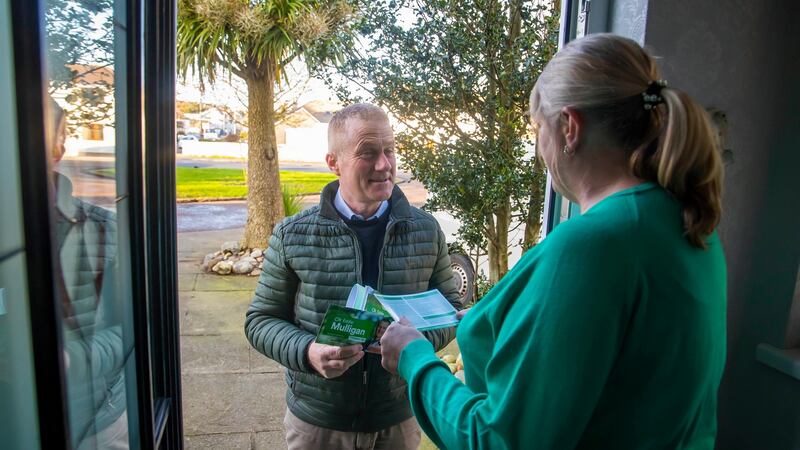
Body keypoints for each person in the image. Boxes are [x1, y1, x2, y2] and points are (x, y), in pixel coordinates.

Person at [380, 33, 726, 449]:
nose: (540, 149)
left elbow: (500, 440)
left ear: (569, 128)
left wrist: (414, 359)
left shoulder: (594, 244)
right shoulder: (683, 218)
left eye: (537, 128)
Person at [245, 103, 462, 450]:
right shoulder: (292, 235)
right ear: (334, 163)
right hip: (319, 421)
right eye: (368, 153)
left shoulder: (426, 230)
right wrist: (308, 352)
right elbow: (261, 320)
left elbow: (450, 308)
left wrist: (410, 349)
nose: (384, 165)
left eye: (389, 150)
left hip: (399, 418)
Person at [48, 98, 130, 449]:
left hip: (95, 419)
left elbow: (133, 329)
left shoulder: (102, 230)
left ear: (58, 148)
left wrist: (74, 359)